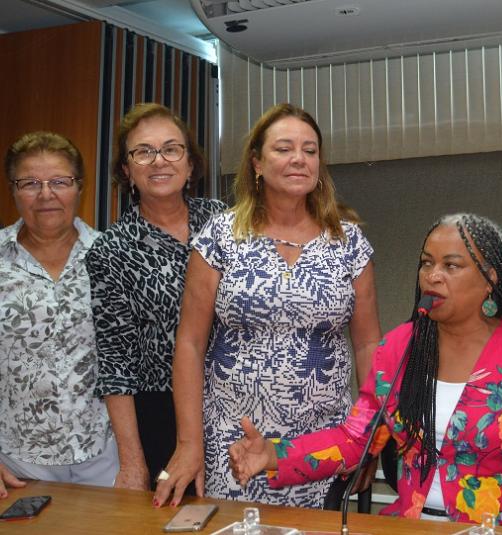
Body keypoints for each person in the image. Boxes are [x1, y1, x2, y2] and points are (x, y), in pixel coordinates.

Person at [228, 213, 502, 530]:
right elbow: (356, 439)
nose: (432, 276)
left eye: (451, 266)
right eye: (427, 263)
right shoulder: (399, 348)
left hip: (498, 528)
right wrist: (273, 454)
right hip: (410, 526)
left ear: (490, 279)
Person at [153, 103, 381, 508]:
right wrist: (188, 443)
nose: (299, 159)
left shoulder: (349, 243)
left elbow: (368, 346)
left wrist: (369, 437)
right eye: (284, 148)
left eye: (310, 150)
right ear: (256, 163)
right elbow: (189, 343)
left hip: (323, 443)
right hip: (235, 442)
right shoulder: (221, 235)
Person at [87, 103, 226, 491]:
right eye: (143, 152)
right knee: (180, 516)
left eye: (171, 149)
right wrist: (133, 462)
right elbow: (115, 363)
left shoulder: (223, 221)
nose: (159, 160)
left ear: (191, 164)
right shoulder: (110, 250)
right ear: (126, 170)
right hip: (162, 413)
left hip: (236, 398)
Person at [0, 132, 118, 497]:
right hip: (16, 463)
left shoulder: (110, 256)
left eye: (60, 182)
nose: (46, 194)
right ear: (13, 190)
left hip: (104, 457)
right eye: (30, 183)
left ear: (80, 187)